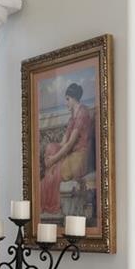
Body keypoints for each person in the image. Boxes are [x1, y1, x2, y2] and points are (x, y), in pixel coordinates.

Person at [39, 81, 92, 216]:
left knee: (52, 174)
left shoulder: (82, 113)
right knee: (51, 147)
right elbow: (63, 143)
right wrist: (51, 154)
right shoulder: (72, 117)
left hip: (80, 157)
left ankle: (48, 204)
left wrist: (53, 159)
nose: (66, 102)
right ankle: (50, 173)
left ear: (74, 98)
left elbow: (69, 145)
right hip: (71, 154)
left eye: (67, 99)